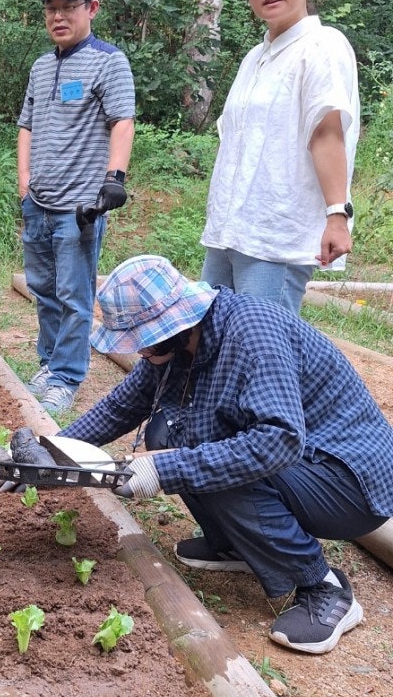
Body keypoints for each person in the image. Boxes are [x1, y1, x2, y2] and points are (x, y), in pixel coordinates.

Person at [58, 254, 393, 655]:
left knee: (208, 464)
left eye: (143, 339)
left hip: (346, 479)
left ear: (177, 321)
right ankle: (234, 543)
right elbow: (120, 407)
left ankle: (323, 586)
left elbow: (278, 441)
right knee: (171, 434)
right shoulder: (178, 345)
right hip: (304, 464)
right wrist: (53, 452)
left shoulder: (251, 334)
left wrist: (164, 470)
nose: (140, 351)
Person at [201, 0, 360, 314]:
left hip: (277, 235)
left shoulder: (322, 46)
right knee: (210, 340)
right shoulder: (254, 58)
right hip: (231, 230)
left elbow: (326, 134)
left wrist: (337, 215)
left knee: (262, 352)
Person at [19, 0, 136, 417]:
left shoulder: (109, 61)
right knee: (43, 289)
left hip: (79, 206)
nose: (58, 17)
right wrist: (24, 182)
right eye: (51, 9)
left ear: (92, 8)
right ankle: (49, 364)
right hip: (40, 202)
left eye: (68, 8)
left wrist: (115, 180)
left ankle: (66, 377)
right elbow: (26, 124)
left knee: (74, 295)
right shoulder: (42, 65)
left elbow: (122, 121)